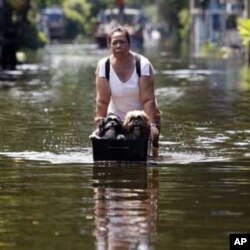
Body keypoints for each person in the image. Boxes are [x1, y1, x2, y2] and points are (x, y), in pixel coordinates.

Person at [93, 26, 160, 158]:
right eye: (114, 43)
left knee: (147, 153)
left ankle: (155, 153)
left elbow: (148, 100)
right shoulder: (104, 65)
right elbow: (102, 101)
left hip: (141, 118)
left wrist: (152, 125)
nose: (118, 46)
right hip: (115, 117)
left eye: (122, 42)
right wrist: (100, 126)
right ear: (109, 45)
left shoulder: (143, 64)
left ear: (129, 44)